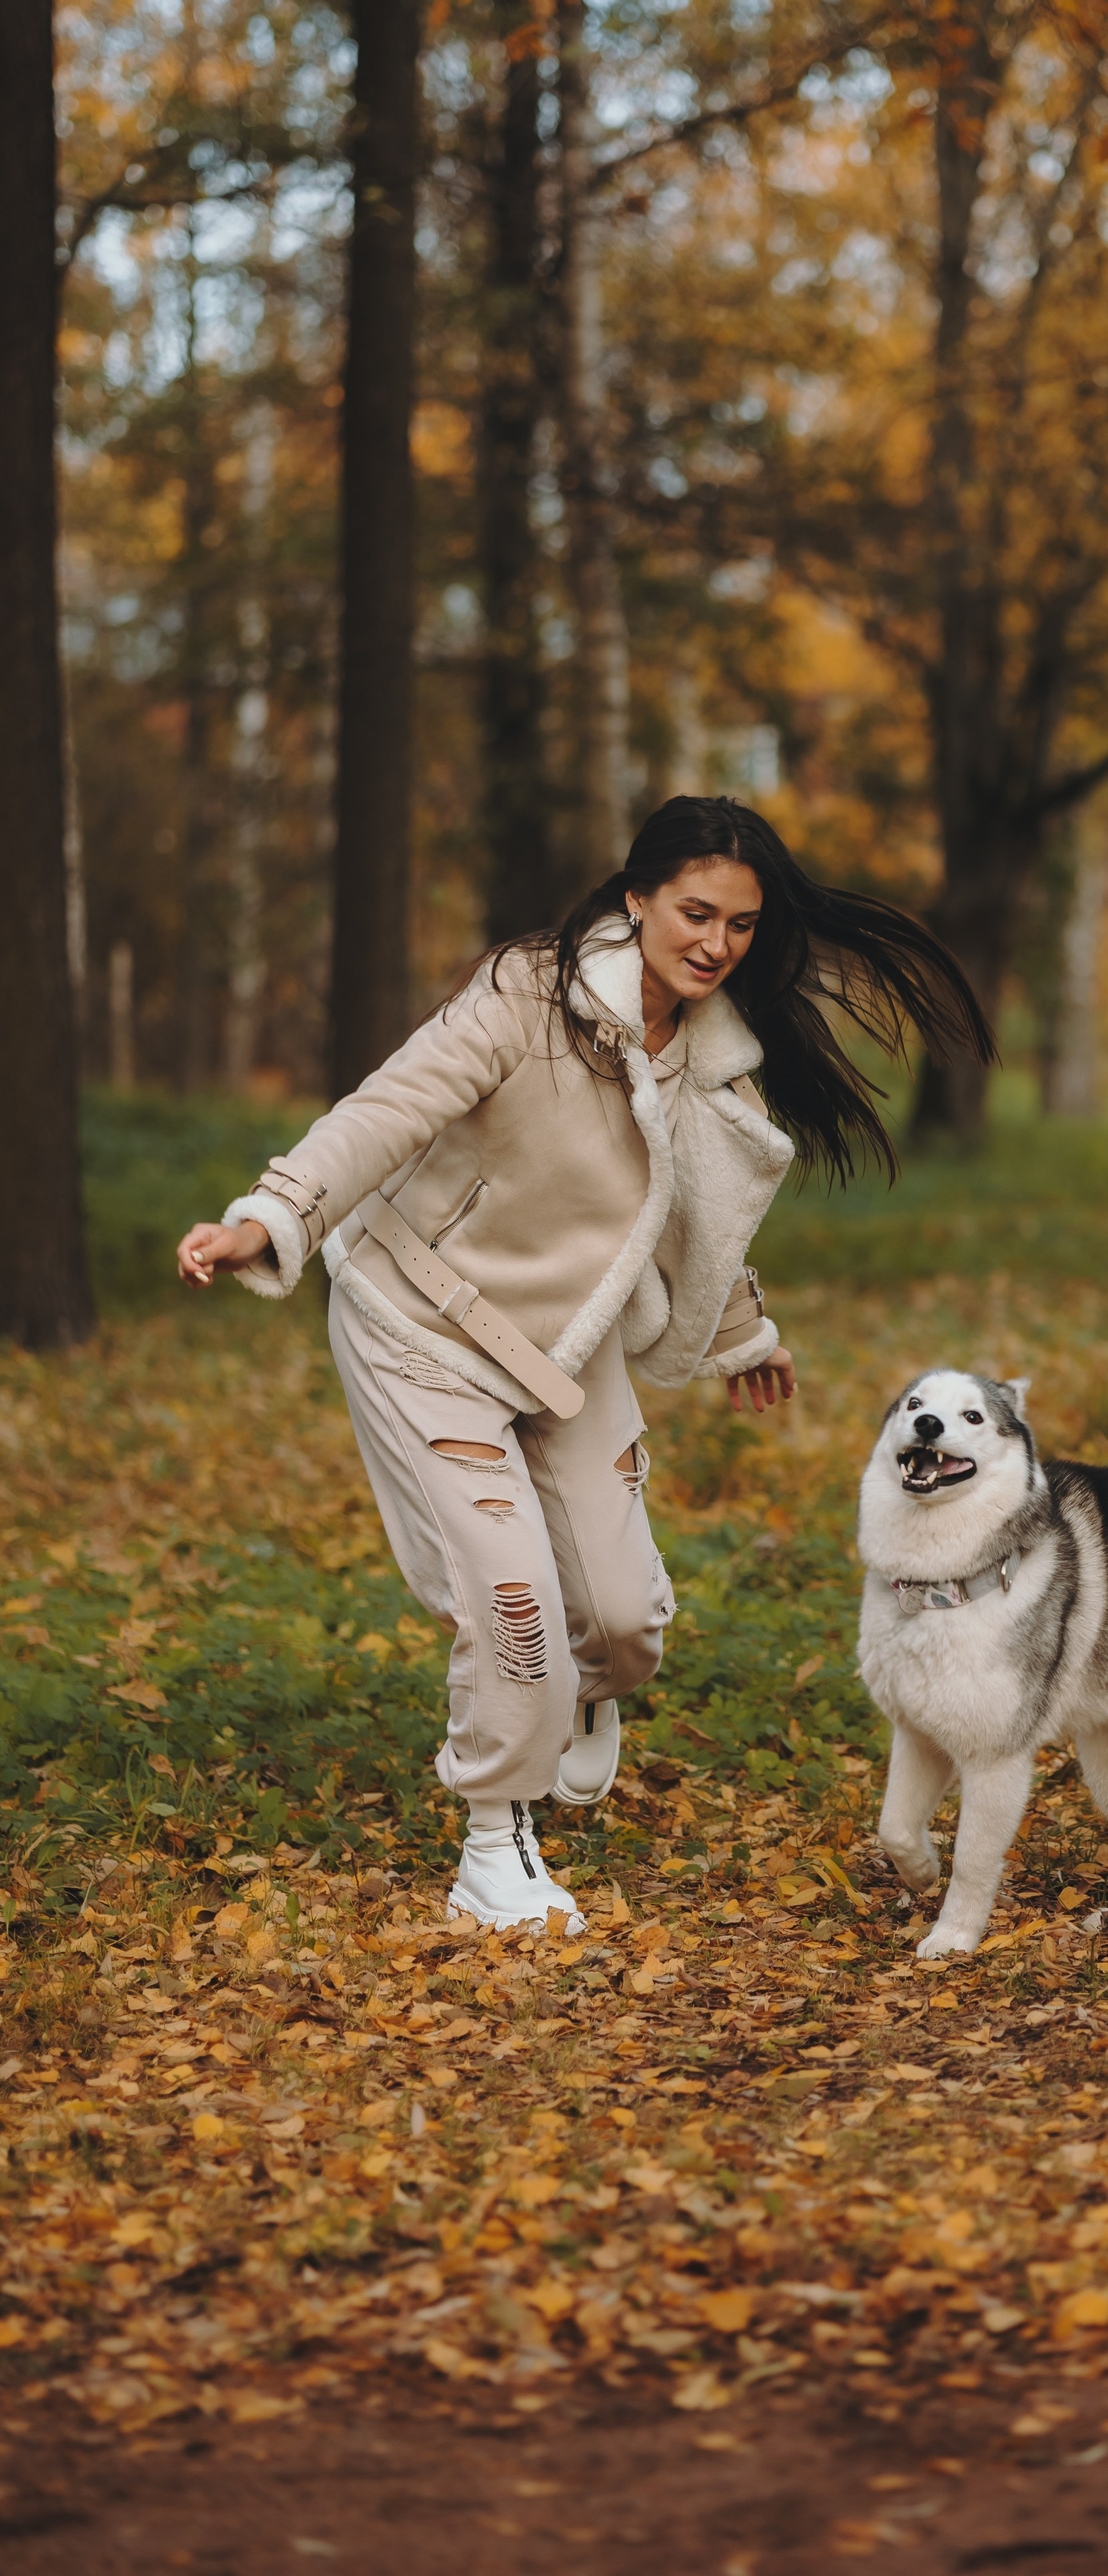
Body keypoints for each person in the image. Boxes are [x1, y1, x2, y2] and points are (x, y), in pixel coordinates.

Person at [176, 797, 992, 1933]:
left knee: (621, 1624)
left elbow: (692, 1220)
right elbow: (386, 1111)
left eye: (742, 925)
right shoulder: (525, 994)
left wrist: (742, 1335)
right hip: (422, 1326)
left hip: (566, 1343)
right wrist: (269, 1217)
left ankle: (574, 1695)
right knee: (514, 1609)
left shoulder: (714, 1056)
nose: (716, 943)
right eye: (696, 913)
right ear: (637, 896)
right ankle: (493, 1846)